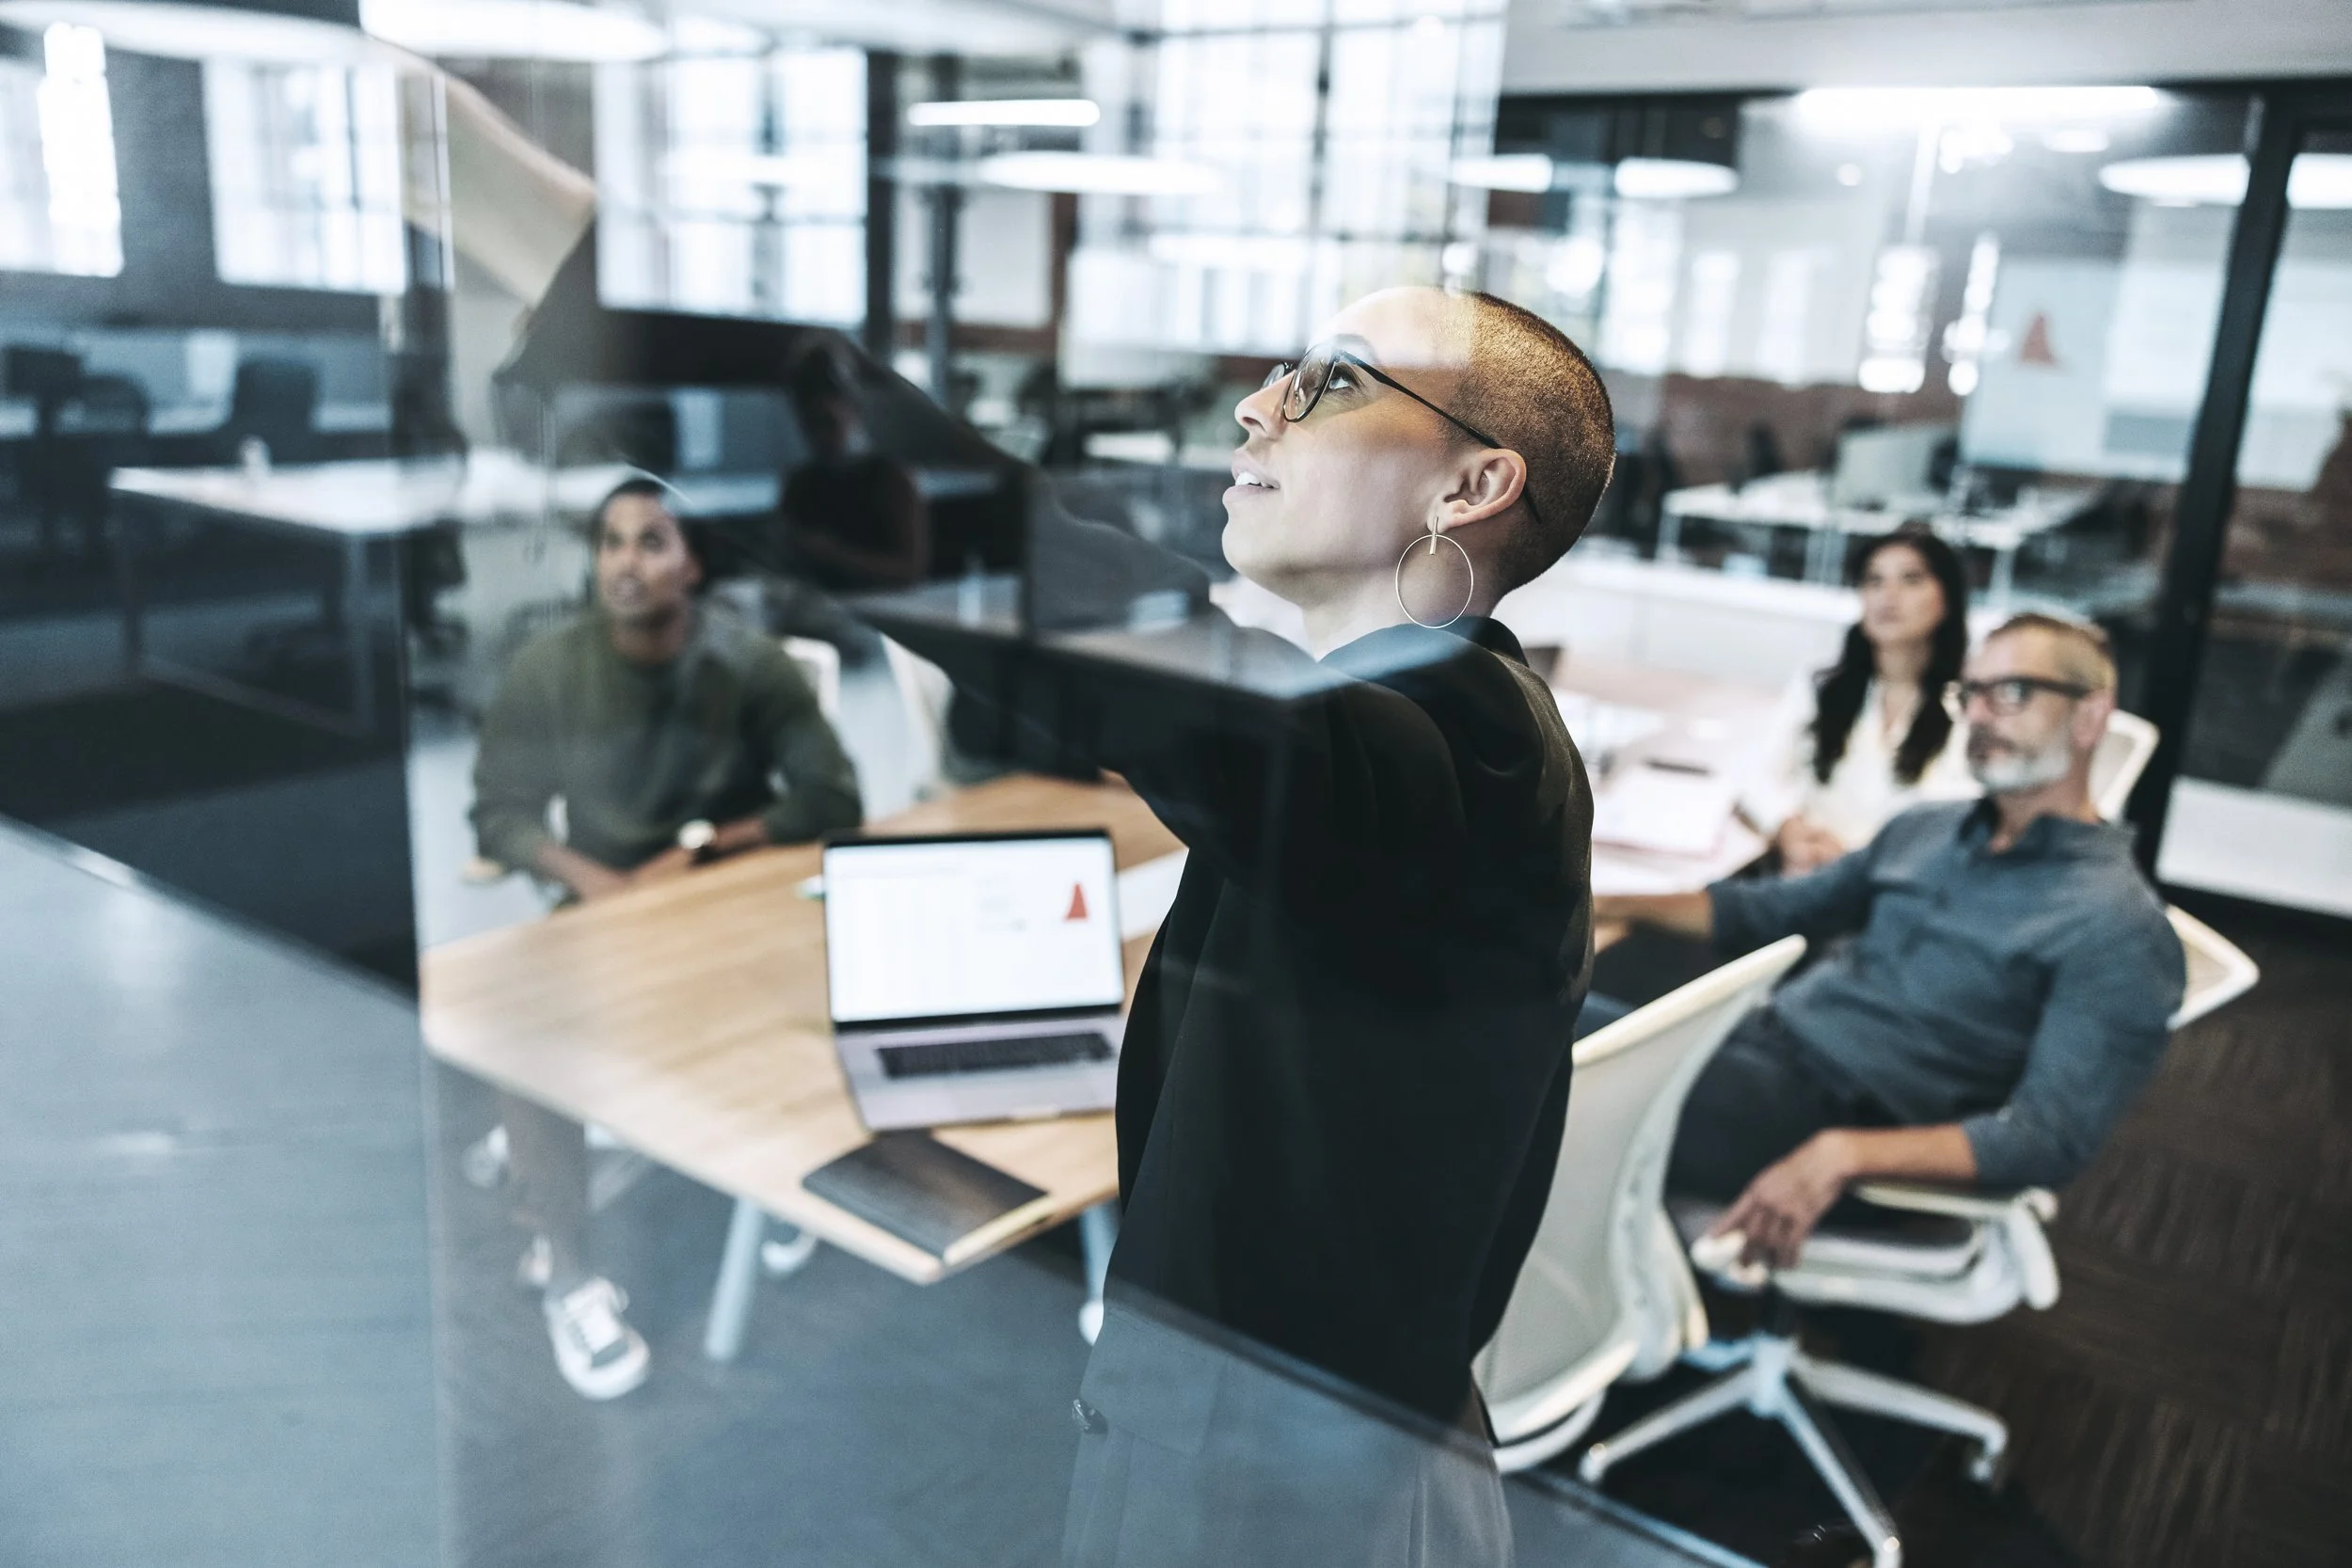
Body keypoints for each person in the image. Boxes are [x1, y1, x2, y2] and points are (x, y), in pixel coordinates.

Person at [916, 287, 1614, 1566]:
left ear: (1471, 485)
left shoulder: (1466, 747)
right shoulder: (1448, 719)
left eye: (1332, 380)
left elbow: (1126, 642)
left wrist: (729, 402)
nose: (1257, 404)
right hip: (1297, 1448)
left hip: (1276, 1489)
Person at [1598, 614, 2184, 1269]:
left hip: (1847, 1121)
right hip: (1761, 1044)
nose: (1982, 715)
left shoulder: (2116, 927)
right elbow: (1766, 909)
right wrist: (1601, 901)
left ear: (2090, 716)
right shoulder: (1927, 830)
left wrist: (1843, 1152)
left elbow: (2045, 1139)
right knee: (1540, 1001)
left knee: (1537, 1057)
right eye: (1972, 692)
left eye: (2013, 692)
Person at [470, 477, 862, 1398]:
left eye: (650, 541)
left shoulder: (748, 663)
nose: (625, 562)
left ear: (690, 562)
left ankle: (769, 1172)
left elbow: (830, 797)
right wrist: (597, 883)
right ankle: (567, 1266)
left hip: (728, 907)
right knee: (516, 1019)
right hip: (601, 906)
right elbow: (500, 812)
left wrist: (700, 844)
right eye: (610, 542)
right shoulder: (552, 665)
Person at [1740, 526, 1978, 874]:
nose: (1888, 596)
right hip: (1810, 881)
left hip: (1904, 893)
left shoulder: (1971, 706)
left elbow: (1964, 823)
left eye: (1911, 580)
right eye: (1874, 581)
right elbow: (1755, 775)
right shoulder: (1822, 686)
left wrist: (1859, 862)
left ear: (1948, 599)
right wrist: (1788, 828)